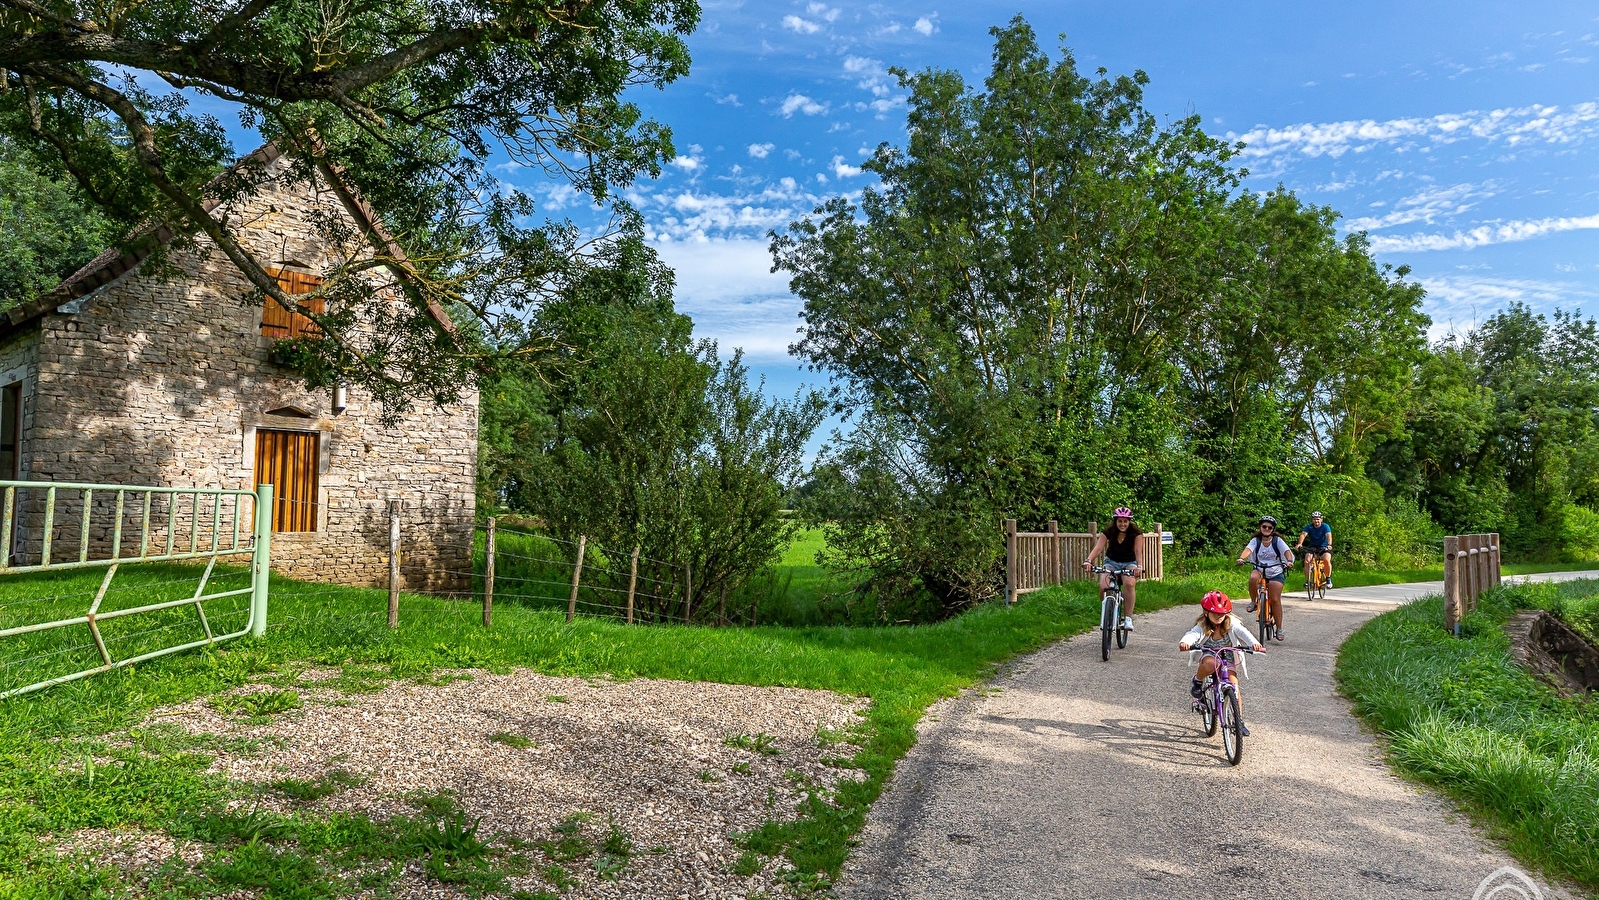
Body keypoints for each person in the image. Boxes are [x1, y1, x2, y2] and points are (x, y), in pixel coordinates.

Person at [1179, 590, 1266, 736]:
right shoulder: (1203, 626)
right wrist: (1185, 642)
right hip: (1210, 654)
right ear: (1206, 613)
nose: (1219, 616)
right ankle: (1198, 681)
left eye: (1222, 613)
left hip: (1228, 657)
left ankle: (1238, 721)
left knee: (1235, 688)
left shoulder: (1231, 623)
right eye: (1215, 613)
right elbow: (1192, 634)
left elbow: (1243, 632)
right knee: (1210, 664)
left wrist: (1254, 644)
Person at [1082, 506, 1144, 631]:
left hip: (1129, 562)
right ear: (1115, 521)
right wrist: (1088, 561)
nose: (1122, 524)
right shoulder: (1108, 532)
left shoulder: (1136, 533)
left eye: (1125, 521)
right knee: (1104, 586)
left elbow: (1138, 551)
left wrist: (1139, 566)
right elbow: (1098, 548)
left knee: (1129, 583)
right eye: (1120, 521)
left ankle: (1127, 619)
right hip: (1111, 562)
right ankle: (1107, 612)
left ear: (1129, 521)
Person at [1236, 515, 1293, 641]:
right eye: (1264, 526)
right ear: (1260, 527)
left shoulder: (1277, 541)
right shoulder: (1256, 540)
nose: (1266, 529)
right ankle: (1254, 601)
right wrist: (1241, 558)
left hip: (1276, 572)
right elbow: (1248, 550)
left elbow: (1287, 551)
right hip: (1260, 569)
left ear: (1273, 529)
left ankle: (1279, 628)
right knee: (1253, 578)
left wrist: (1289, 561)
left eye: (1269, 527)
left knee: (1274, 599)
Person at [1295, 511, 1333, 588]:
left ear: (1321, 520)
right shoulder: (1309, 527)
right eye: (1315, 519)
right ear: (1312, 520)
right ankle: (1308, 581)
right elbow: (1303, 535)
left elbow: (1328, 535)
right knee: (1307, 561)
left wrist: (1329, 544)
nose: (1316, 521)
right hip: (1313, 547)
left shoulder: (1325, 526)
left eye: (1318, 519)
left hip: (1324, 547)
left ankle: (1328, 578)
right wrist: (1299, 544)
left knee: (1326, 559)